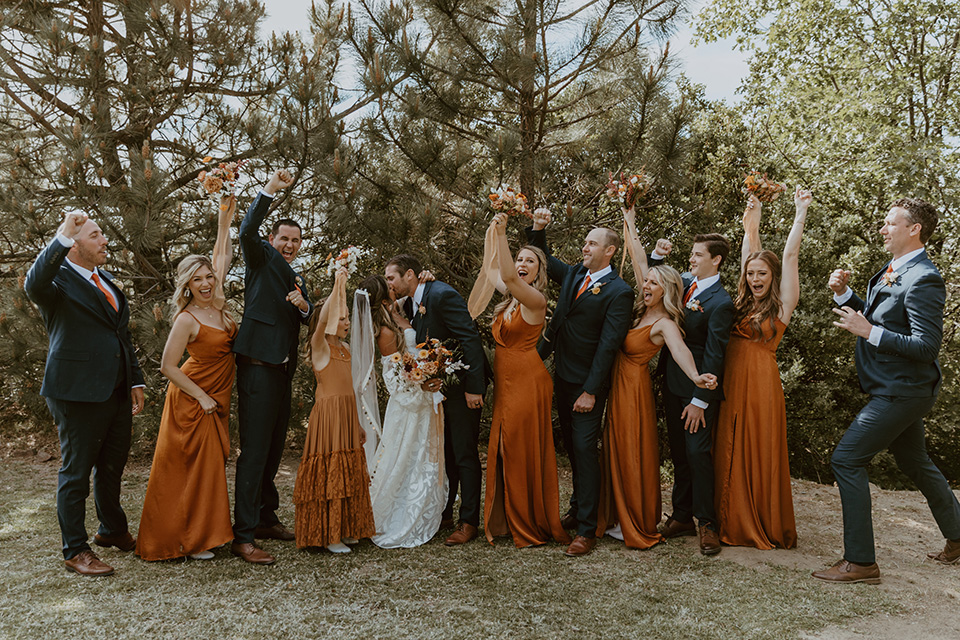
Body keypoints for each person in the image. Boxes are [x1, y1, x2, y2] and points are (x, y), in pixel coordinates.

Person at [813, 197, 960, 583]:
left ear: (914, 229)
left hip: (904, 389)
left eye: (890, 223)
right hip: (894, 387)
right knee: (915, 462)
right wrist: (846, 296)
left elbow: (926, 346)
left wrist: (869, 332)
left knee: (846, 459)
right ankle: (959, 537)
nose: (883, 228)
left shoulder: (925, 277)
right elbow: (881, 316)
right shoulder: (893, 269)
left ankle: (860, 562)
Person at [24, 210, 146, 576]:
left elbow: (121, 335)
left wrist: (135, 379)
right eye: (95, 235)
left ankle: (111, 530)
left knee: (112, 466)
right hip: (76, 391)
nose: (104, 240)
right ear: (74, 245)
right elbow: (32, 284)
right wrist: (63, 232)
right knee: (76, 471)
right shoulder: (56, 283)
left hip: (116, 388)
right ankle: (75, 550)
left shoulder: (104, 279)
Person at [597, 206, 717, 550]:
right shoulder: (639, 308)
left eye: (653, 283)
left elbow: (681, 351)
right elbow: (637, 257)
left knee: (630, 450)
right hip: (617, 385)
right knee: (613, 450)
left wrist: (696, 376)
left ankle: (633, 518)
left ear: (666, 290)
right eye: (646, 281)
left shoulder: (664, 323)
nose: (646, 284)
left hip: (633, 390)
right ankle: (615, 514)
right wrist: (630, 220)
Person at [525, 208, 635, 557]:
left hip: (588, 383)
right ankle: (576, 507)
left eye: (591, 243)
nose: (584, 248)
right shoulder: (574, 275)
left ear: (610, 251)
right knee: (571, 447)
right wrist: (537, 229)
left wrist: (590, 391)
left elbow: (608, 345)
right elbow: (544, 260)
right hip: (563, 375)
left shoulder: (619, 292)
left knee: (586, 450)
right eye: (585, 243)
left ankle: (587, 529)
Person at [136, 195, 238, 561]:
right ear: (188, 286)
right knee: (191, 469)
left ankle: (204, 535)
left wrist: (224, 220)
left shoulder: (219, 302)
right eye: (198, 280)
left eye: (209, 276)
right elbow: (168, 367)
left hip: (218, 393)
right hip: (194, 398)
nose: (207, 282)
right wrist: (202, 397)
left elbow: (222, 255)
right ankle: (187, 540)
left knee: (210, 469)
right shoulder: (186, 318)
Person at [713, 189, 811, 551]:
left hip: (761, 384)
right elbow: (749, 250)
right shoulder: (740, 302)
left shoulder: (783, 304)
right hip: (731, 379)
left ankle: (760, 522)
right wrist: (750, 221)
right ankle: (729, 517)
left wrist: (800, 212)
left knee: (757, 446)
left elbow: (789, 254)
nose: (755, 278)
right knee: (729, 444)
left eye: (762, 273)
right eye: (751, 273)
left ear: (772, 277)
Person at [473, 213, 571, 548]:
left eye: (530, 260)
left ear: (540, 271)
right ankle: (507, 519)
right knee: (505, 449)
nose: (523, 263)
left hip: (528, 383)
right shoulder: (511, 297)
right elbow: (492, 271)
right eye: (519, 259)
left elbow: (510, 279)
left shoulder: (535, 300)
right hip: (508, 384)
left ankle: (527, 523)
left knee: (518, 450)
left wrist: (502, 234)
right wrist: (492, 230)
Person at [232, 169, 312, 565]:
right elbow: (247, 229)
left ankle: (266, 518)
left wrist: (306, 306)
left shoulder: (297, 276)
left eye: (296, 241)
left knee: (274, 447)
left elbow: (309, 312)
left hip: (282, 371)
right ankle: (243, 534)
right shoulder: (260, 258)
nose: (290, 245)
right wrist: (269, 190)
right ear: (272, 241)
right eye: (284, 239)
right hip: (257, 367)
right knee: (255, 450)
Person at [384, 255, 488, 545]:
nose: (389, 284)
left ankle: (468, 522)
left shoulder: (441, 294)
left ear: (409, 275)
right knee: (447, 454)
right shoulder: (414, 301)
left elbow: (469, 338)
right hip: (440, 391)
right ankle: (443, 513)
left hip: (463, 387)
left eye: (391, 278)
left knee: (465, 454)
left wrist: (474, 388)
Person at [652, 232, 735, 556]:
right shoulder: (685, 284)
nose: (691, 259)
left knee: (698, 453)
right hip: (672, 383)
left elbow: (715, 355)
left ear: (716, 260)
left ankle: (708, 524)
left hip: (698, 391)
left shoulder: (721, 302)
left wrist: (700, 400)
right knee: (680, 452)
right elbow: (658, 278)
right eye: (691, 254)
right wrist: (658, 256)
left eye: (698, 255)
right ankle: (682, 515)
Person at [357, 274, 449, 548]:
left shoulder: (398, 311)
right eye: (389, 286)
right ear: (383, 298)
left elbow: (419, 290)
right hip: (410, 403)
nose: (394, 286)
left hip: (421, 399)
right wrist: (423, 384)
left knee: (416, 455)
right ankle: (393, 514)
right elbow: (394, 378)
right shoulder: (385, 331)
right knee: (405, 456)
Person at [293, 268, 376, 552]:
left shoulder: (347, 349)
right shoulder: (320, 347)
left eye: (347, 317)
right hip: (327, 419)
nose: (347, 322)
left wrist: (357, 423)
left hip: (345, 415)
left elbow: (351, 390)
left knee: (348, 472)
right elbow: (321, 322)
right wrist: (337, 286)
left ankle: (346, 527)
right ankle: (329, 535)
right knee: (330, 472)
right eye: (342, 318)